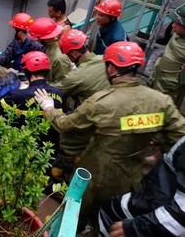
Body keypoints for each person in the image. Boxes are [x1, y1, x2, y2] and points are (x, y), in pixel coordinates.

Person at [34, 41, 185, 230]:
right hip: (132, 176)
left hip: (94, 173)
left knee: (73, 214)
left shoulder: (101, 102)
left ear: (111, 68)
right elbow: (179, 140)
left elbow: (66, 125)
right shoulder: (161, 101)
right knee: (113, 222)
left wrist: (49, 107)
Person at [98, 135, 185, 237]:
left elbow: (180, 216)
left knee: (109, 211)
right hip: (160, 192)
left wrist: (135, 228)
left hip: (160, 207)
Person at [0, 51, 64, 150]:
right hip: (49, 150)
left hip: (23, 148)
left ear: (26, 72)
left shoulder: (17, 95)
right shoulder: (59, 94)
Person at [54, 29, 110, 109]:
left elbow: (54, 90)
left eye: (67, 55)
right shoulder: (105, 59)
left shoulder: (76, 76)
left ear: (74, 53)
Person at [150, 3, 185, 108]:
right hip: (158, 79)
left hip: (170, 91)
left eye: (178, 23)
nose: (173, 25)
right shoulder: (178, 34)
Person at [28, 17, 72, 83]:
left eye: (37, 38)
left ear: (43, 38)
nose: (37, 41)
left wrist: (39, 85)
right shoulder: (49, 48)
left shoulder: (59, 57)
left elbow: (63, 84)